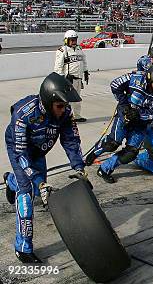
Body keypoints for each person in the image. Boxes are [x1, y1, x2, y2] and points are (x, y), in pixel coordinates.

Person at [3, 73, 89, 263]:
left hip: (39, 151)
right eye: (60, 106)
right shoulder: (23, 114)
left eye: (65, 106)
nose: (64, 110)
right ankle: (23, 247)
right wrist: (39, 181)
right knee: (26, 192)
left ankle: (10, 180)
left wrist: (79, 167)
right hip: (19, 150)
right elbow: (21, 155)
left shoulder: (65, 113)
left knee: (35, 189)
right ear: (48, 101)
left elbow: (71, 140)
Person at [85, 65, 153, 183]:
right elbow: (115, 85)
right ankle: (95, 152)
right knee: (113, 143)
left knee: (130, 153)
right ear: (149, 78)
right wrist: (124, 105)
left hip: (141, 124)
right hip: (124, 115)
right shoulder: (136, 78)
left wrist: (141, 115)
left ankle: (104, 169)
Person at [54, 30, 89, 122]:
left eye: (75, 40)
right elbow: (58, 67)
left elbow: (84, 61)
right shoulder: (62, 51)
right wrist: (62, 79)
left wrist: (85, 71)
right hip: (68, 80)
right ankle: (64, 117)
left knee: (77, 99)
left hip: (78, 79)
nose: (74, 42)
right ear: (66, 40)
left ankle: (76, 116)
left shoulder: (79, 49)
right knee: (66, 100)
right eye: (71, 40)